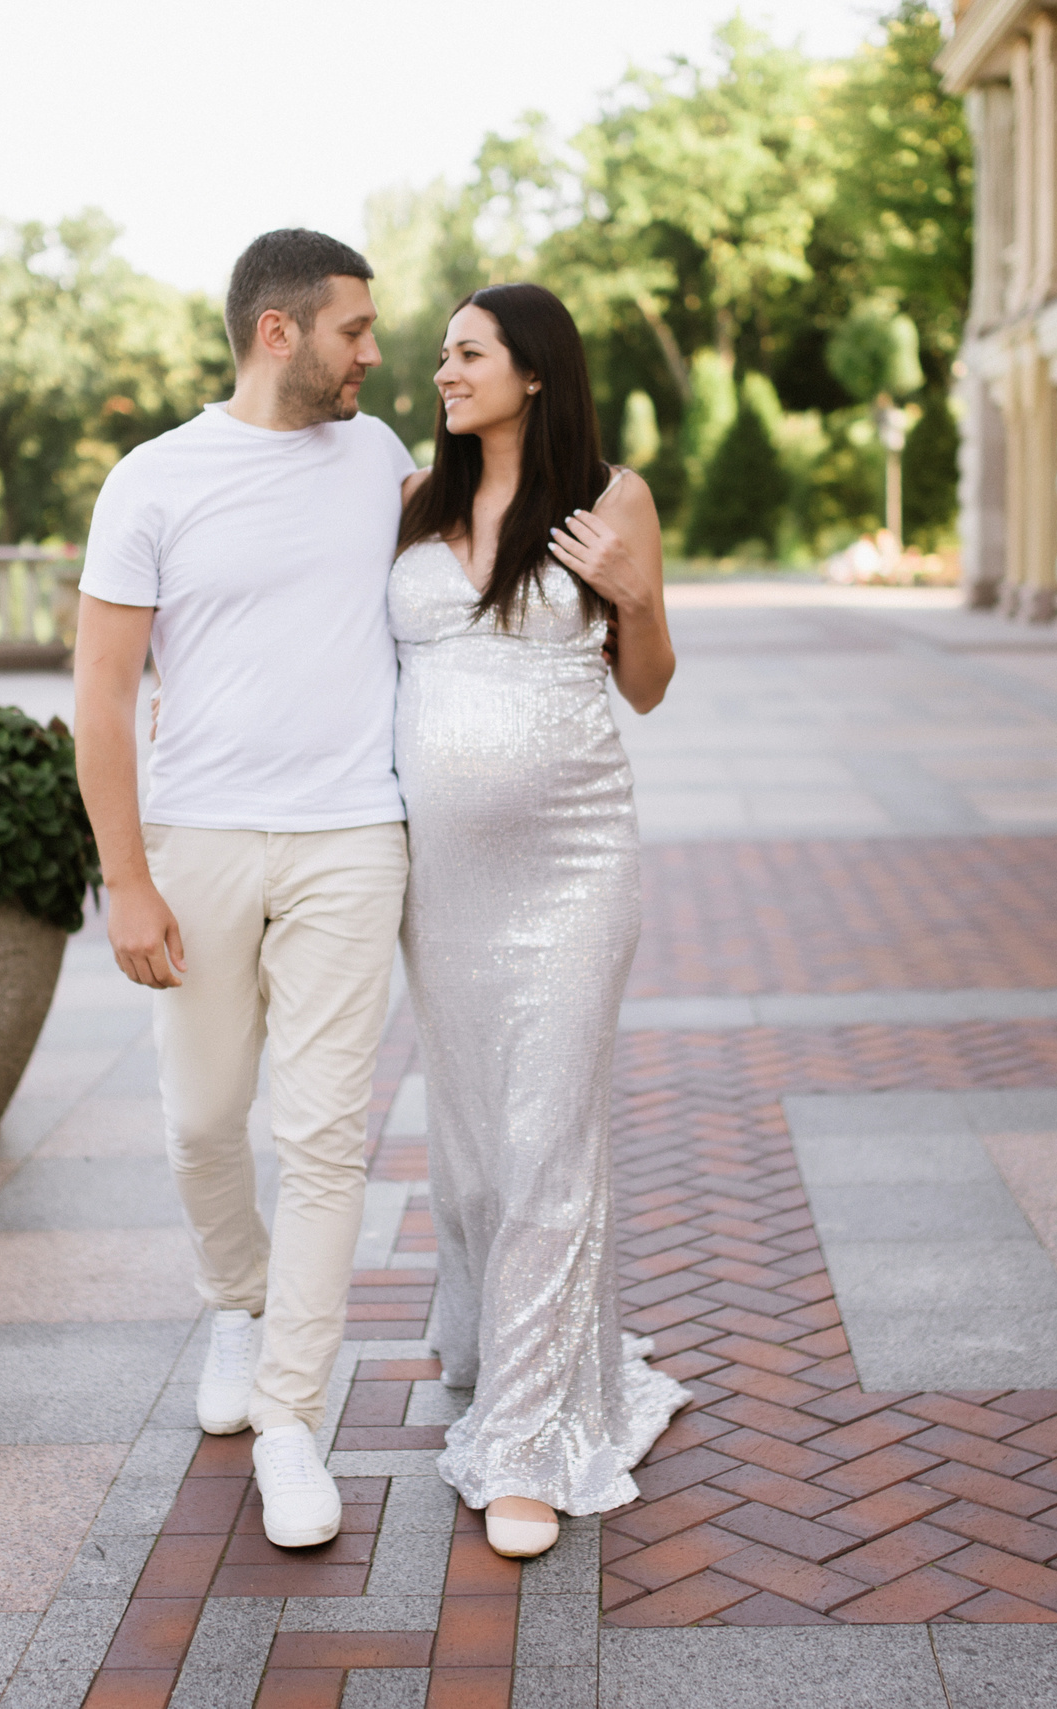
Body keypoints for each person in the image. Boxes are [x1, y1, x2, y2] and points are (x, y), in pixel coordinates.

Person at [73, 229, 415, 1549]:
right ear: (280, 331)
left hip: (352, 835)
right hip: (200, 837)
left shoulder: (379, 458)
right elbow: (104, 695)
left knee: (324, 1137)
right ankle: (237, 1294)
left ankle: (290, 1417)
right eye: (353, 329)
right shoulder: (153, 480)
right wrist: (126, 877)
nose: (372, 352)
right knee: (204, 1120)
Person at [391, 283, 688, 1560]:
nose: (444, 372)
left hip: (574, 866)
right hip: (441, 885)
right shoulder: (415, 499)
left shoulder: (611, 500)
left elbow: (648, 687)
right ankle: (500, 1341)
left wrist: (637, 595)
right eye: (442, 354)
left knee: (548, 1139)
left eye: (468, 353)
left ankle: (525, 1443)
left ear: (534, 373)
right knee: (470, 1150)